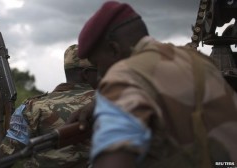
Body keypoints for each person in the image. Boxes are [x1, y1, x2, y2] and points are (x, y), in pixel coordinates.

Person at [75, 1, 237, 168]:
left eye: (98, 63)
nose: (101, 73)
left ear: (114, 49)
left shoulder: (124, 77)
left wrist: (113, 98)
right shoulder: (202, 63)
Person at [0, 44, 97, 168]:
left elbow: (0, 161)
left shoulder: (32, 107)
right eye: (100, 70)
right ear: (86, 74)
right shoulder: (115, 102)